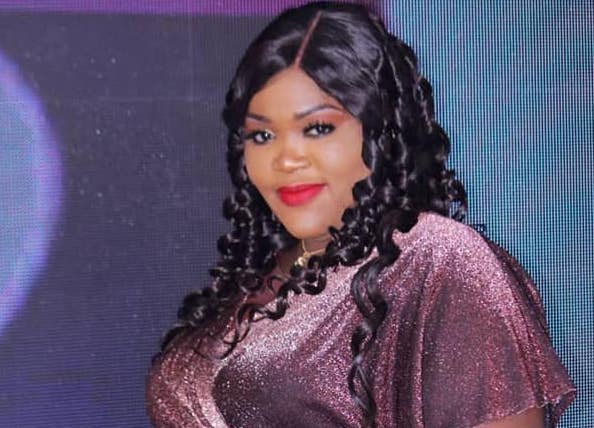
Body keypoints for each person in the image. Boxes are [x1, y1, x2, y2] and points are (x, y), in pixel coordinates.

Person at [146, 2, 576, 427]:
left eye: (317, 128)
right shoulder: (257, 278)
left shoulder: (438, 257)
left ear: (381, 132)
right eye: (261, 135)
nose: (286, 158)